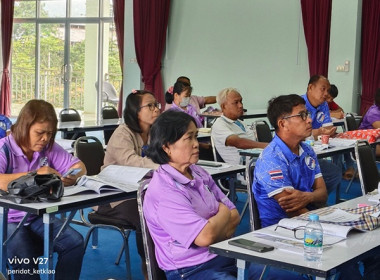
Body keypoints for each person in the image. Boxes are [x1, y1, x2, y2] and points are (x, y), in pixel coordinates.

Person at [251, 94, 367, 280]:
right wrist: (323, 228)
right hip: (281, 231)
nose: (310, 119)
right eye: (302, 115)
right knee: (345, 248)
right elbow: (291, 208)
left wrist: (307, 197)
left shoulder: (307, 150)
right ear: (283, 123)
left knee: (363, 244)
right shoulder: (272, 158)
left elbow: (321, 195)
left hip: (310, 220)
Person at [144, 110, 239, 280]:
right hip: (191, 270)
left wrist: (215, 228)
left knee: (282, 274)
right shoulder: (164, 191)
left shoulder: (197, 172)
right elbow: (205, 236)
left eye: (196, 136)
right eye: (189, 138)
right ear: (166, 147)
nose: (196, 144)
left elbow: (236, 216)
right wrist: (222, 211)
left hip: (223, 254)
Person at [0, 99, 86, 280]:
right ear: (24, 127)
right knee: (24, 257)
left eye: (50, 133)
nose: (45, 138)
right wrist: (35, 175)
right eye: (40, 133)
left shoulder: (47, 148)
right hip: (6, 219)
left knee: (75, 243)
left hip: (36, 215)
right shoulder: (4, 149)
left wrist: (72, 176)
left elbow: (79, 166)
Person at [96, 90, 160, 279]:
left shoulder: (154, 132)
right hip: (113, 197)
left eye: (156, 104)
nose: (156, 109)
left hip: (140, 192)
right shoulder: (122, 133)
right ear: (135, 111)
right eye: (150, 105)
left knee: (167, 209)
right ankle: (150, 271)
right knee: (147, 216)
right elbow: (133, 162)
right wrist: (165, 166)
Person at [302, 75, 342, 195]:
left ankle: (316, 200)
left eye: (327, 90)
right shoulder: (298, 104)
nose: (326, 93)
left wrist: (325, 132)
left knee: (335, 173)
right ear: (310, 87)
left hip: (314, 151)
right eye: (322, 89)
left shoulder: (324, 105)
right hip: (298, 154)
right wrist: (319, 132)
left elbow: (328, 128)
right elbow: (301, 133)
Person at [211, 87, 267, 165]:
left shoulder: (240, 122)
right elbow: (238, 143)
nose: (240, 105)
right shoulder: (219, 125)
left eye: (241, 101)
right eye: (236, 102)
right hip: (244, 169)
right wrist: (267, 146)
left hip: (258, 160)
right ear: (223, 106)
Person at [326, 84, 355, 179]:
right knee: (336, 145)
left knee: (345, 140)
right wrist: (333, 113)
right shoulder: (319, 104)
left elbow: (341, 110)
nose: (330, 100)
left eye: (332, 98)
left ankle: (349, 168)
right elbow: (323, 114)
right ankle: (340, 171)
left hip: (330, 132)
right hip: (320, 135)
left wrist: (335, 112)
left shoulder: (329, 102)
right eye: (329, 97)